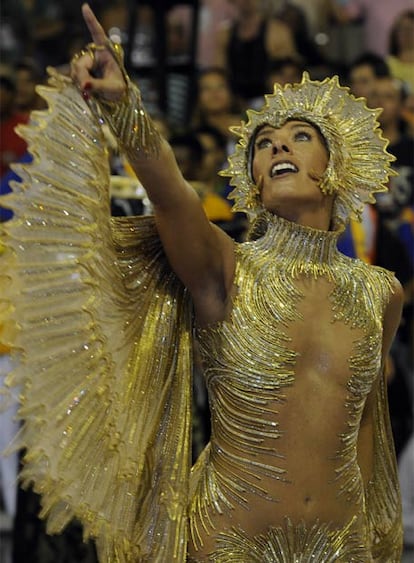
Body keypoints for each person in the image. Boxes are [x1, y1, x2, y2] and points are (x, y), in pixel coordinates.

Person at [0, 4, 404, 562]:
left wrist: (373, 541)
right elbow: (172, 195)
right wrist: (126, 108)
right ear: (255, 183)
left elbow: (365, 423)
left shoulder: (382, 290)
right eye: (263, 143)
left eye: (299, 136)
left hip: (344, 547)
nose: (278, 146)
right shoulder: (226, 268)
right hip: (226, 543)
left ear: (335, 166)